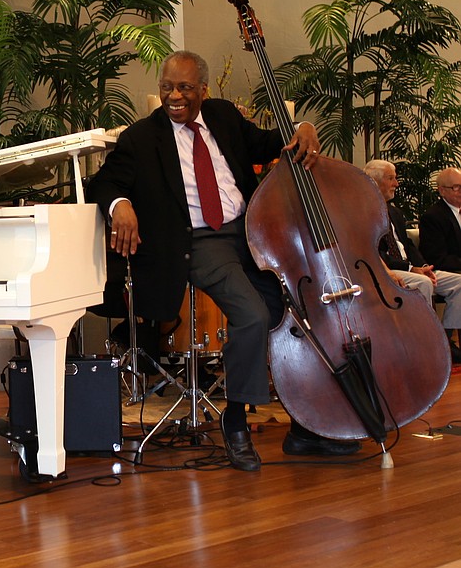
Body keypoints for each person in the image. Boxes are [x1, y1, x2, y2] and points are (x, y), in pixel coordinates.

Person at [85, 50, 360, 471]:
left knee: (295, 314)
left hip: (252, 234)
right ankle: (235, 421)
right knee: (252, 315)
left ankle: (306, 428)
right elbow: (103, 184)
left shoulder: (223, 116)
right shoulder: (141, 138)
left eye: (184, 88)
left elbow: (270, 142)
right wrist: (120, 204)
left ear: (204, 89)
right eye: (166, 87)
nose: (174, 96)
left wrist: (303, 127)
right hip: (199, 242)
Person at [364, 159, 461, 362]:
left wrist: (423, 266)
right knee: (423, 283)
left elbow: (408, 245)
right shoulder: (364, 212)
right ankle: (427, 344)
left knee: (458, 282)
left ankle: (445, 340)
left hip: (413, 268)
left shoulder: (395, 212)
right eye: (391, 178)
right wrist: (410, 268)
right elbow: (374, 252)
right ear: (374, 181)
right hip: (388, 270)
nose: (396, 183)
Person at [419, 167, 461, 273]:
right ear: (442, 191)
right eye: (456, 187)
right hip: (450, 272)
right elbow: (437, 259)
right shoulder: (432, 217)